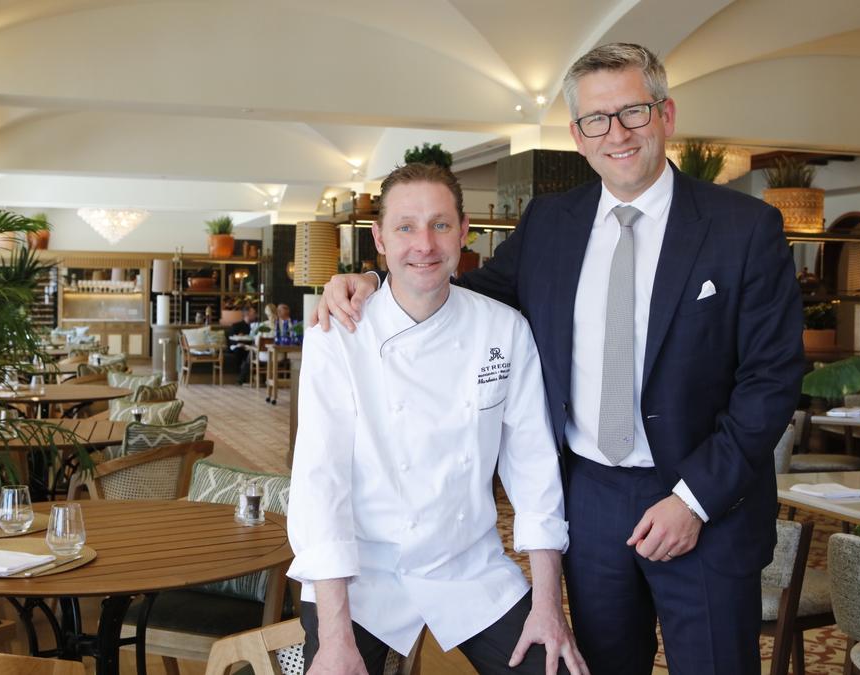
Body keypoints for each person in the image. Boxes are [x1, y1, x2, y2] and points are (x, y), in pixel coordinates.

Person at [314, 43, 804, 674]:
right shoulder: (551, 222)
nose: (617, 133)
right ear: (577, 135)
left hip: (703, 504)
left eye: (633, 112)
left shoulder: (744, 228)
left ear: (666, 115)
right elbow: (461, 295)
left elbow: (771, 383)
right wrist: (369, 284)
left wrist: (694, 499)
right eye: (597, 119)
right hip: (591, 500)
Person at [288, 163, 587, 675]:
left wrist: (547, 607)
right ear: (379, 239)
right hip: (361, 574)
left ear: (464, 232)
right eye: (405, 227)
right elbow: (320, 484)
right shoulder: (336, 335)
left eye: (440, 225)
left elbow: (535, 470)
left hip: (468, 565)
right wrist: (335, 638)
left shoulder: (504, 329)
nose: (423, 244)